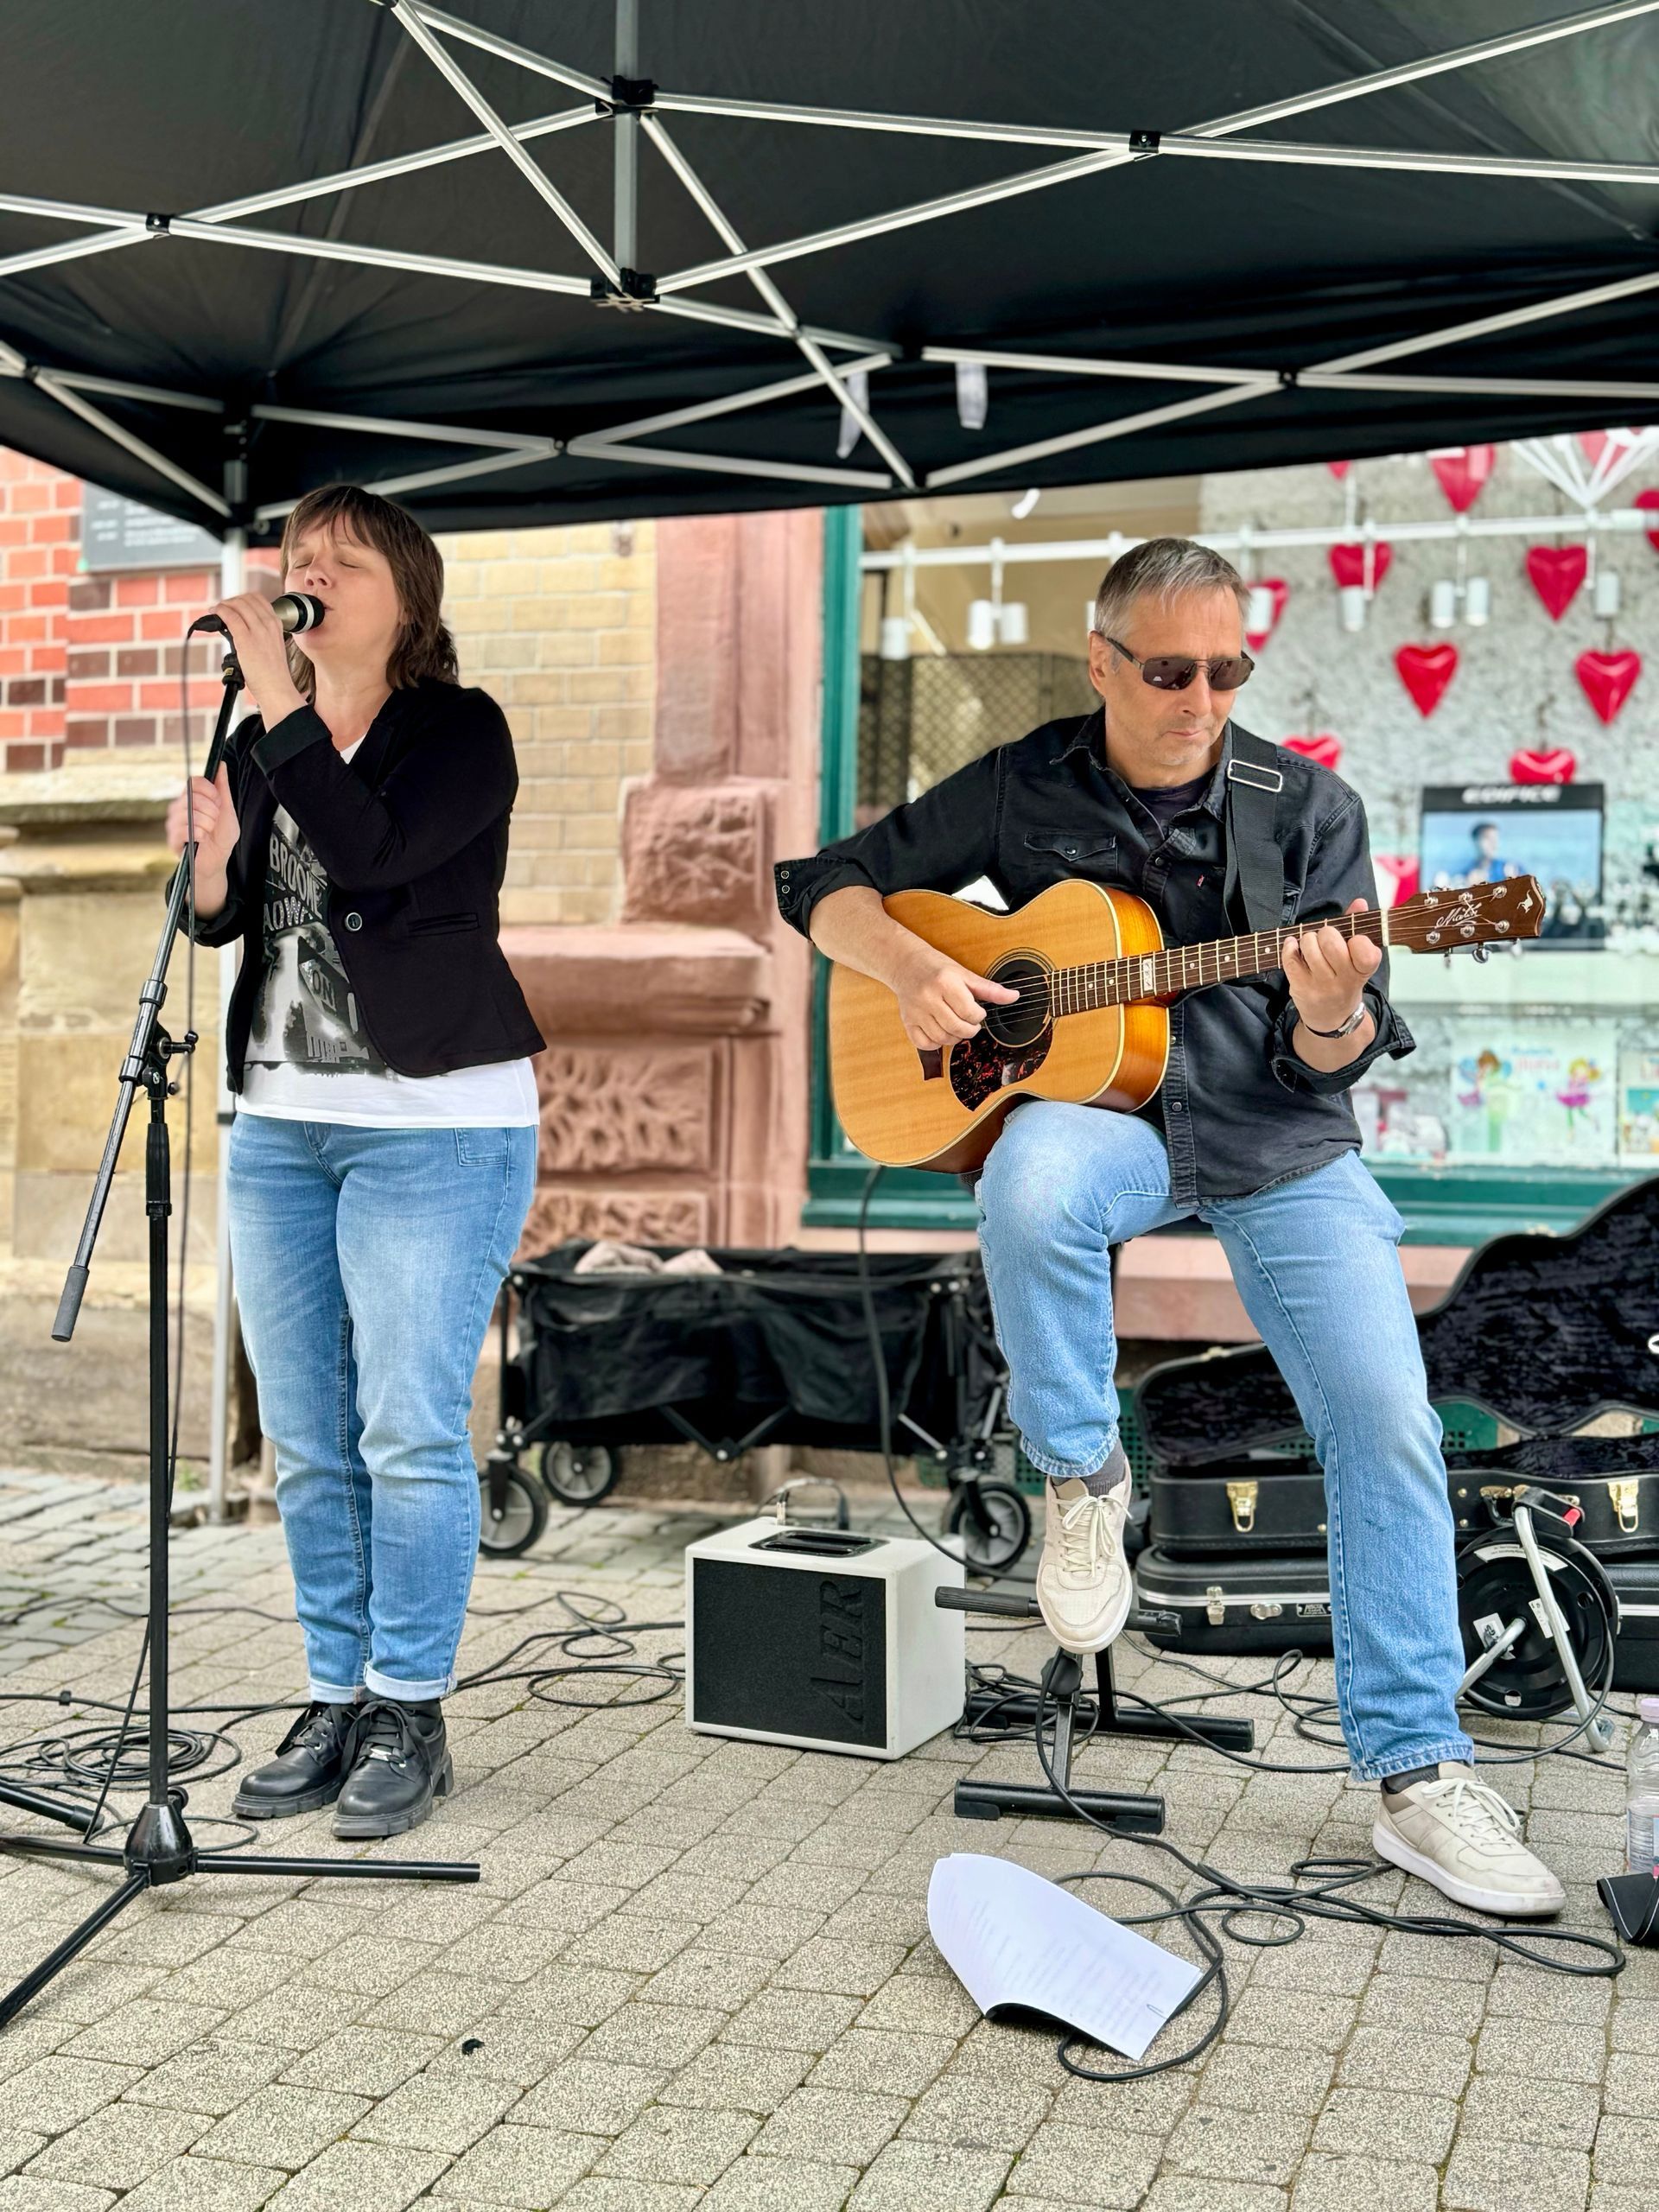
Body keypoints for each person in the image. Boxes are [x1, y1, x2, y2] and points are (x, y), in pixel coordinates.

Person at [775, 536, 1564, 1919]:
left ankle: (1421, 1774)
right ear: (1103, 662)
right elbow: (822, 880)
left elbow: (1338, 1055)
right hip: (1110, 1127)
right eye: (1171, 672)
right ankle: (1082, 1477)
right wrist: (909, 968)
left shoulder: (1306, 808)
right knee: (1027, 1176)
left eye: (1228, 670)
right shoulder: (1024, 784)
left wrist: (1330, 1012)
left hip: (1278, 1142)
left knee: (1388, 1417)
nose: (1203, 699)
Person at [165, 484, 543, 1839]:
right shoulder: (259, 737)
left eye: (339, 561)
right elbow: (229, 922)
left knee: (405, 1424)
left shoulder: (460, 730)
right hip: (280, 1125)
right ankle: (335, 1694)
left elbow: (376, 854)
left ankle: (408, 1706)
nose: (304, 574)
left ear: (406, 598)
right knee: (308, 1437)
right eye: (295, 557)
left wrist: (280, 697)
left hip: (437, 1130)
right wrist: (213, 870)